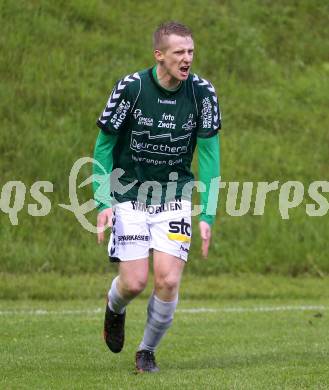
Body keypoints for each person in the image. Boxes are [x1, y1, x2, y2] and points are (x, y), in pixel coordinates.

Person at [93, 21, 221, 373]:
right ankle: (114, 307)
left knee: (167, 278)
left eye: (191, 51)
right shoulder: (131, 89)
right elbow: (103, 146)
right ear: (159, 55)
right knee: (133, 282)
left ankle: (147, 350)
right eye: (179, 52)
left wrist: (207, 214)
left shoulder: (203, 94)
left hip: (174, 195)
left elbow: (210, 155)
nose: (187, 59)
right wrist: (103, 202)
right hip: (129, 192)